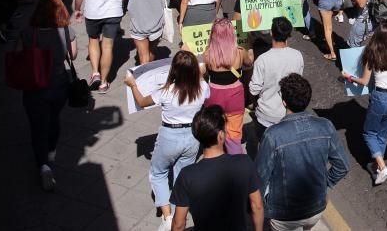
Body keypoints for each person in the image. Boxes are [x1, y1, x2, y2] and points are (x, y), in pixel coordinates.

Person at [124, 50, 209, 231]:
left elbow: (142, 101)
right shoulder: (202, 89)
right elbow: (202, 77)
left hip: (169, 136)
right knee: (181, 175)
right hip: (192, 138)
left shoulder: (166, 91)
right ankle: (181, 214)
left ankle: (167, 216)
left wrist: (132, 85)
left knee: (158, 173)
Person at [256, 74, 350, 228]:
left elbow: (260, 178)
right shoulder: (325, 125)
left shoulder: (272, 135)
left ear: (284, 101)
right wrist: (325, 185)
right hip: (316, 209)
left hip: (283, 215)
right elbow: (343, 166)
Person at [170, 105, 264, 231]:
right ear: (220, 135)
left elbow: (179, 223)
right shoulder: (244, 163)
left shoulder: (187, 175)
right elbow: (257, 205)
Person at [17, 0, 77, 191]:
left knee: (37, 126)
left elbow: (18, 54)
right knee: (53, 119)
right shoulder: (65, 30)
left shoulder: (28, 32)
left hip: (34, 87)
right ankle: (51, 152)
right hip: (58, 85)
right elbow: (73, 54)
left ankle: (43, 165)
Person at [343, 24, 387, 185]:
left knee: (369, 133)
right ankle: (377, 166)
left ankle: (382, 167)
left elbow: (364, 81)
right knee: (383, 135)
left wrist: (348, 77)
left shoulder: (372, 54)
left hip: (380, 97)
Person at [249, 17, 304, 149]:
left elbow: (254, 90)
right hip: (289, 114)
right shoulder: (297, 55)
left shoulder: (262, 60)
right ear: (289, 34)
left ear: (272, 33)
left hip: (266, 116)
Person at [204, 19, 252, 154]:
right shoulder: (240, 52)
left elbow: (204, 73)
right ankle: (237, 163)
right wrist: (251, 53)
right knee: (234, 136)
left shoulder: (208, 54)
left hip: (214, 95)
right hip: (235, 96)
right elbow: (249, 63)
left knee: (214, 130)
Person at [127, 0, 169, 64]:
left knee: (143, 57)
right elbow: (166, 2)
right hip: (156, 26)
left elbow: (130, 6)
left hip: (139, 26)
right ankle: (149, 72)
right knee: (151, 51)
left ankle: (144, 77)